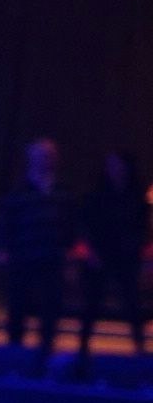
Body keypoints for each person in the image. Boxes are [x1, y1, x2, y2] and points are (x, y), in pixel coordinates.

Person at [0, 138, 70, 355]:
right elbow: (4, 221)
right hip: (23, 256)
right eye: (40, 156)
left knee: (51, 307)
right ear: (30, 159)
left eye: (48, 156)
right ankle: (15, 351)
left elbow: (70, 222)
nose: (44, 160)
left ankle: (46, 350)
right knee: (18, 305)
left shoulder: (62, 190)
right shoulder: (18, 191)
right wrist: (1, 248)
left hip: (52, 257)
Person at [74, 148, 146, 362]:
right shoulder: (98, 195)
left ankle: (140, 348)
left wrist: (136, 250)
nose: (116, 169)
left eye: (119, 165)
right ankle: (83, 349)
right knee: (92, 304)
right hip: (101, 255)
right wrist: (92, 252)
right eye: (112, 165)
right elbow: (85, 224)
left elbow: (141, 227)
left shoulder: (134, 196)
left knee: (132, 304)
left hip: (125, 257)